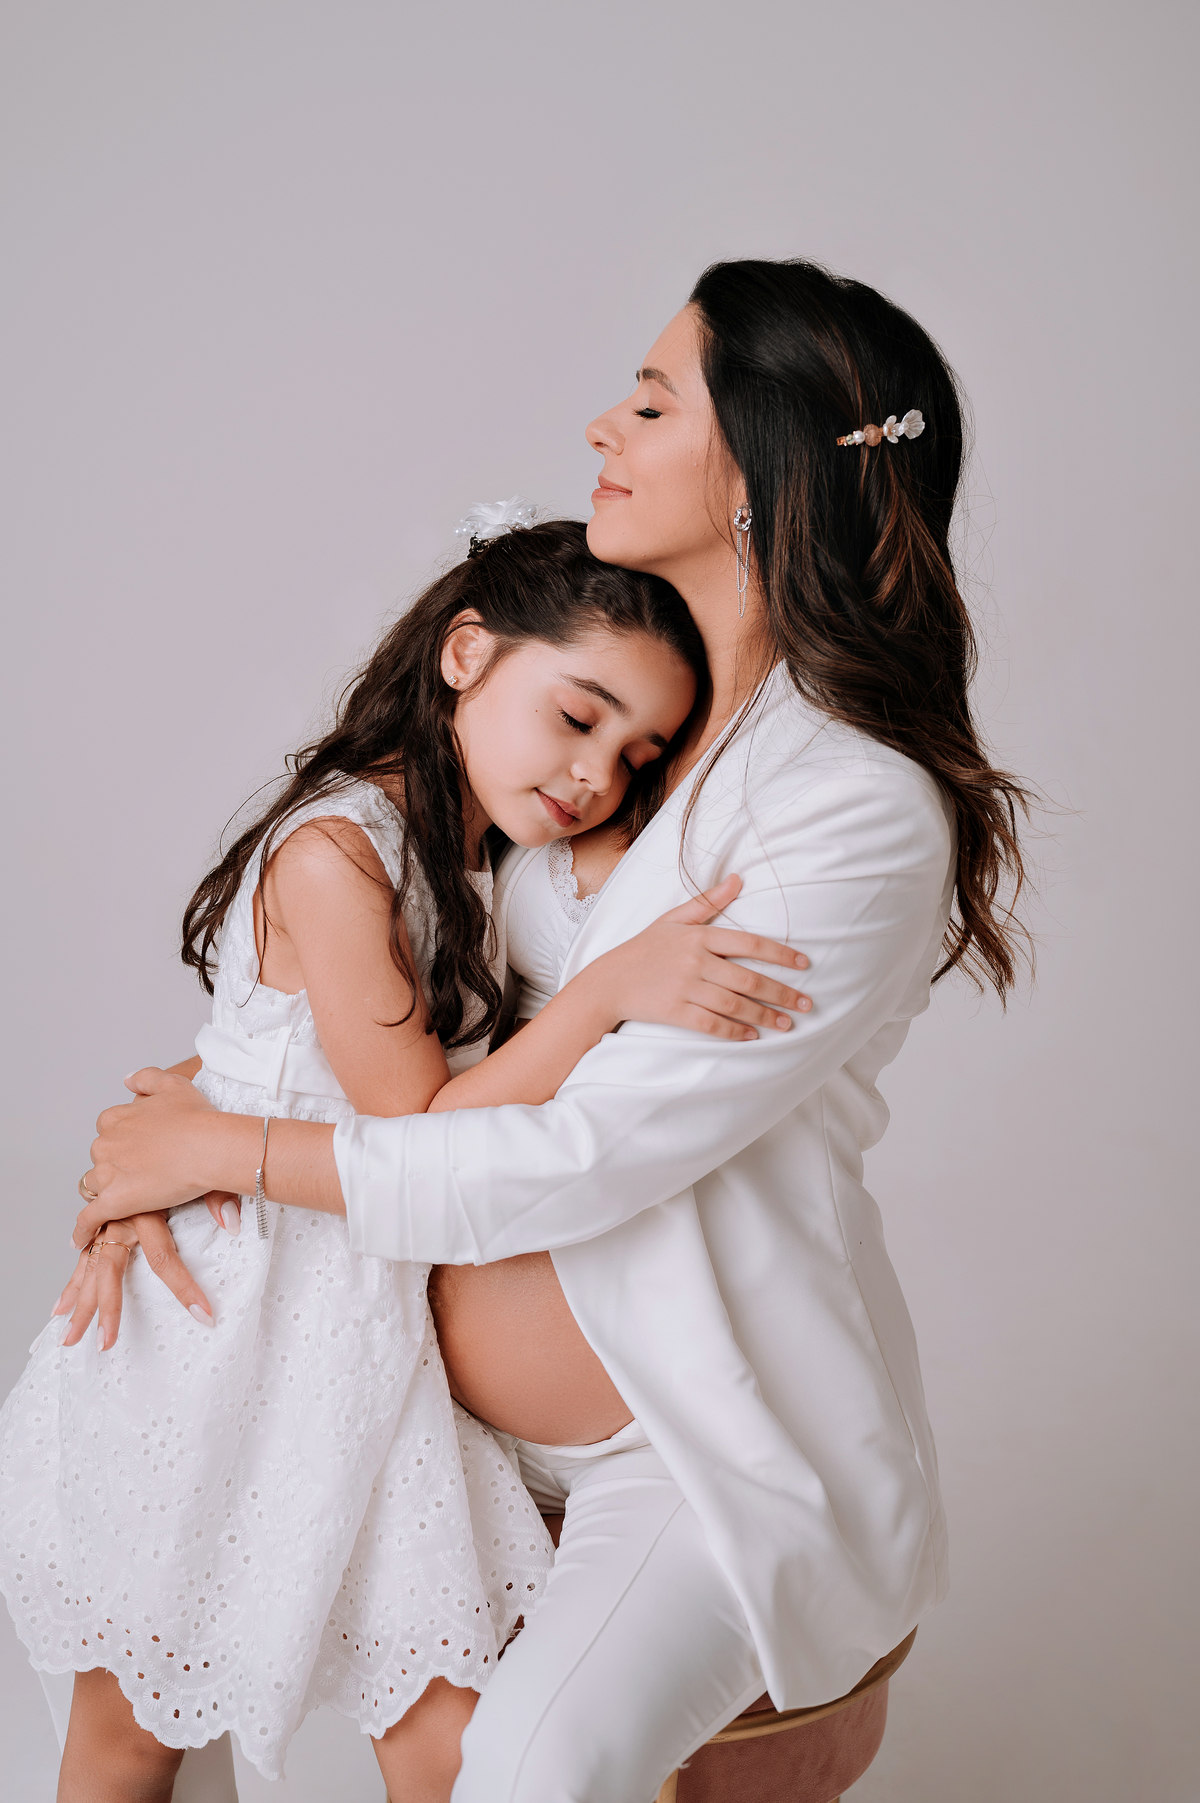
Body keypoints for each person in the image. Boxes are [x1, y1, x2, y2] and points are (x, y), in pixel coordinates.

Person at [74, 257, 1029, 1803]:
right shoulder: (615, 733)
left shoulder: (845, 805)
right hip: (418, 1400)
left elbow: (570, 1156)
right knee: (151, 1677)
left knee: (527, 1771)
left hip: (684, 1453)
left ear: (761, 473)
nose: (604, 420)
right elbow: (432, 1022)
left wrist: (234, 1146)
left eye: (654, 401)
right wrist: (173, 1136)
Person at [2, 516, 809, 1802]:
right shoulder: (339, 850)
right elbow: (416, 1124)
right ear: (467, 653)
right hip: (232, 1325)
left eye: (635, 752)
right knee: (137, 1723)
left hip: (364, 1336)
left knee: (445, 1728)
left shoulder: (471, 855)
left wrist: (187, 1113)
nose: (596, 774)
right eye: (578, 716)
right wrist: (610, 993)